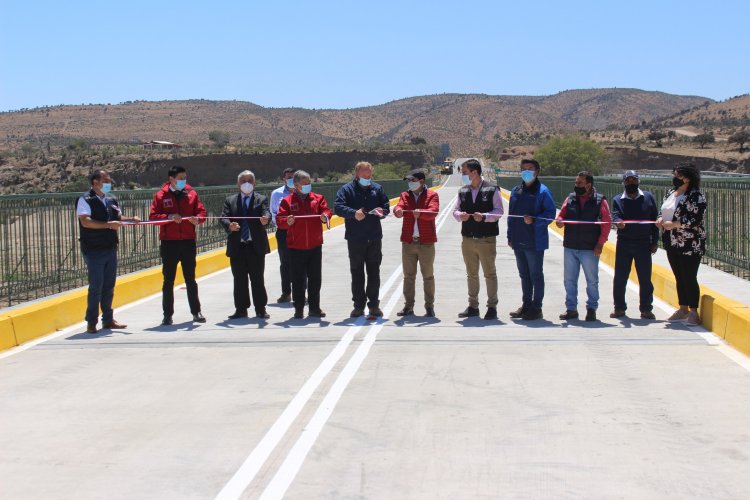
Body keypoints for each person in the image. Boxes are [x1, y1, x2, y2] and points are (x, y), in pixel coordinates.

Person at [76, 170, 140, 333]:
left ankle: (108, 319)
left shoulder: (111, 199)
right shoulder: (85, 199)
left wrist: (130, 219)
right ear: (95, 182)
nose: (108, 182)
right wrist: (108, 225)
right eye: (105, 180)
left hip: (110, 247)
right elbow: (86, 222)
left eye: (109, 180)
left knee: (109, 286)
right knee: (96, 286)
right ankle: (91, 322)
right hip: (93, 248)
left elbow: (117, 218)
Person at [149, 165, 207, 325]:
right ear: (171, 179)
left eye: (184, 178)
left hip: (188, 241)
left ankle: (196, 311)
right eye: (180, 178)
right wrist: (169, 216)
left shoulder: (191, 193)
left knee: (190, 279)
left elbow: (202, 212)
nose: (183, 181)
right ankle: (167, 315)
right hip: (169, 243)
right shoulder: (160, 196)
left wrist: (198, 219)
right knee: (168, 280)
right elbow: (153, 217)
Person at [334, 161, 391, 318]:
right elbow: (338, 207)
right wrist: (353, 213)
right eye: (364, 172)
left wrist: (382, 211)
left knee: (374, 272)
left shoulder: (377, 189)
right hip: (355, 238)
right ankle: (358, 306)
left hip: (373, 237)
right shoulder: (346, 189)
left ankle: (374, 306)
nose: (367, 175)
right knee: (357, 272)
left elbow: (386, 207)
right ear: (357, 173)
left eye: (369, 172)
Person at [555, 171, 612, 322]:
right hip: (570, 246)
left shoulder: (600, 201)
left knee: (592, 280)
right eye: (576, 182)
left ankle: (592, 308)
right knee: (569, 280)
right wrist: (559, 221)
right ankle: (571, 309)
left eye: (580, 183)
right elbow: (562, 214)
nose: (577, 185)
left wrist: (600, 243)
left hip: (590, 248)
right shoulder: (570, 198)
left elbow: (607, 224)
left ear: (589, 185)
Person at [276, 170, 333, 319]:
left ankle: (314, 308)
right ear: (295, 185)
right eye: (304, 183)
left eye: (309, 183)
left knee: (315, 279)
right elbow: (280, 219)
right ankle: (299, 309)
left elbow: (327, 211)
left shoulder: (318, 199)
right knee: (298, 280)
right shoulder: (287, 201)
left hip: (315, 245)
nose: (308, 186)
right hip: (296, 247)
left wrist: (324, 217)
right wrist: (286, 221)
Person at [656, 163, 707, 326]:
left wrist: (676, 224)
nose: (674, 178)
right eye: (674, 174)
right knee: (679, 275)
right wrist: (660, 220)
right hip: (671, 241)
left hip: (690, 243)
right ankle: (682, 307)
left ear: (687, 178)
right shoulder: (671, 192)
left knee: (689, 276)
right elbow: (665, 210)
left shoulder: (696, 196)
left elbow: (695, 219)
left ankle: (693, 311)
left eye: (678, 175)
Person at [453, 158, 504, 320]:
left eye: (465, 172)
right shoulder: (463, 191)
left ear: (474, 172)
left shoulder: (492, 189)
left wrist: (485, 217)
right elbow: (455, 210)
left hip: (486, 239)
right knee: (471, 274)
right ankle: (473, 305)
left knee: (489, 273)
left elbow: (499, 211)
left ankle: (492, 307)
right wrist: (459, 215)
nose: (463, 176)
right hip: (468, 239)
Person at [507, 159, 556, 321]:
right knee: (524, 275)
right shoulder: (516, 190)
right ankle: (526, 305)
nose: (526, 172)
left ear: (537, 172)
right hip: (518, 239)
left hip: (534, 240)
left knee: (535, 274)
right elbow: (511, 216)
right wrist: (510, 236)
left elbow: (550, 213)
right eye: (523, 169)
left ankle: (537, 307)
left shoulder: (543, 191)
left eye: (530, 169)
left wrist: (535, 219)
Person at [220, 170, 271, 320]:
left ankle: (261, 309)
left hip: (255, 246)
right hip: (238, 246)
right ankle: (241, 309)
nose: (246, 183)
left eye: (249, 180)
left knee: (257, 279)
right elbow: (223, 217)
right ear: (238, 184)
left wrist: (265, 219)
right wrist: (229, 225)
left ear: (254, 183)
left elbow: (267, 212)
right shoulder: (230, 200)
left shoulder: (261, 199)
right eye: (243, 181)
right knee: (239, 280)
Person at [610, 170, 659, 320]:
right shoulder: (618, 199)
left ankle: (646, 309)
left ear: (638, 182)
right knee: (620, 277)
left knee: (645, 278)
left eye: (633, 180)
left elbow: (654, 220)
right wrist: (619, 222)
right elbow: (616, 214)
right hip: (624, 243)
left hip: (643, 244)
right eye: (628, 180)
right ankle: (619, 308)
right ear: (624, 183)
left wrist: (655, 241)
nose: (631, 182)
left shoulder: (648, 197)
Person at [393, 169, 440, 317]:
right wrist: (398, 210)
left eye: (412, 180)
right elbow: (398, 206)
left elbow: (434, 211)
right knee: (408, 276)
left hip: (426, 243)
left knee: (428, 276)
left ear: (421, 181)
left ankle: (429, 306)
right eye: (408, 181)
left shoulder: (432, 195)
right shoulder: (405, 195)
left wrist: (422, 213)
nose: (409, 183)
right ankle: (408, 306)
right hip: (408, 242)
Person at [270, 168, 296, 303]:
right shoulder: (276, 194)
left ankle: (303, 292)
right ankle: (286, 292)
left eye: (293, 177)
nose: (291, 179)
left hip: (300, 232)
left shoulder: (303, 191)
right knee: (285, 263)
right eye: (288, 177)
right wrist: (284, 223)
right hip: (283, 232)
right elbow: (273, 213)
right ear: (284, 179)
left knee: (302, 262)